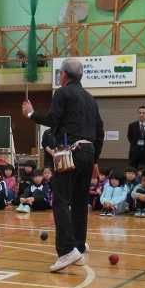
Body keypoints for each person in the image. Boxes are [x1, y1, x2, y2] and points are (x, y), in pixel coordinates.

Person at [22, 58, 104, 272]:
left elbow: (52, 119)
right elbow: (100, 131)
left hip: (70, 153)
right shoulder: (90, 99)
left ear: (63, 75)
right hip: (88, 153)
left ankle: (67, 251)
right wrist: (95, 160)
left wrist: (31, 113)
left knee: (59, 200)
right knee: (79, 203)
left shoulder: (63, 93)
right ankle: (78, 249)